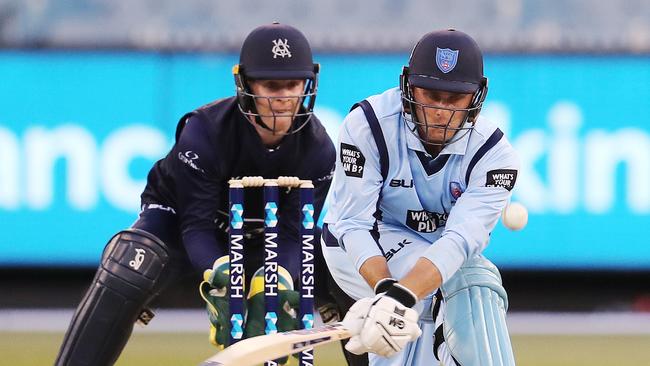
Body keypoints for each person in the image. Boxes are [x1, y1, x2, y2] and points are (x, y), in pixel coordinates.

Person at [55, 22, 337, 366]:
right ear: (245, 84)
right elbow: (196, 225)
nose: (282, 99)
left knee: (333, 279)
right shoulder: (204, 132)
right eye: (270, 85)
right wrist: (222, 273)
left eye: (292, 85)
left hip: (263, 235)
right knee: (128, 268)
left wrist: (276, 275)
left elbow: (295, 233)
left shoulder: (319, 150)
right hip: (179, 224)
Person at [324, 29, 519, 365]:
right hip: (359, 250)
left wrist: (401, 296)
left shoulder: (494, 155)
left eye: (454, 98)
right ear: (408, 88)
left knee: (472, 283)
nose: (440, 111)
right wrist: (389, 291)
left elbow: (459, 241)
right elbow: (353, 224)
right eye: (430, 94)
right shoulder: (368, 124)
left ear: (476, 98)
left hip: (433, 259)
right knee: (456, 285)